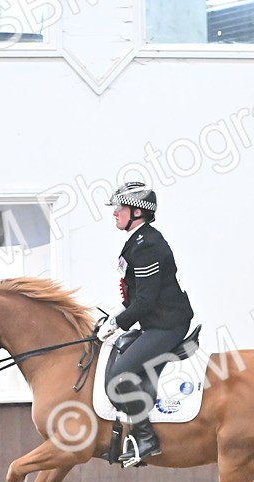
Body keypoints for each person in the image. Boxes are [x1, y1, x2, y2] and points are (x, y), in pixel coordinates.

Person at [95, 181, 194, 467]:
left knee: (120, 374)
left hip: (167, 324)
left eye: (120, 208)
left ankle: (146, 437)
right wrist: (113, 317)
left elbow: (146, 301)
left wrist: (118, 323)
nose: (115, 213)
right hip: (154, 320)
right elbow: (137, 296)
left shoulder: (148, 245)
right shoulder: (137, 241)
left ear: (137, 211)